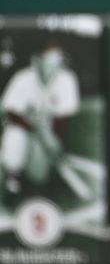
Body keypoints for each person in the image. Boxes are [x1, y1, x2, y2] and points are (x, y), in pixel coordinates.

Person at [0, 40, 79, 201]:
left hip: (44, 129)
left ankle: (44, 172)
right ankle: (11, 177)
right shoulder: (22, 78)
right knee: (14, 140)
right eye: (48, 63)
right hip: (18, 127)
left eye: (58, 63)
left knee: (38, 178)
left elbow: (63, 118)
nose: (52, 69)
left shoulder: (67, 80)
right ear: (37, 61)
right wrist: (39, 131)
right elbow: (11, 113)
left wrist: (54, 140)